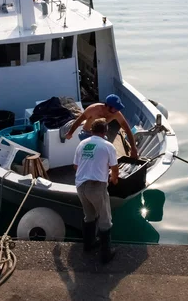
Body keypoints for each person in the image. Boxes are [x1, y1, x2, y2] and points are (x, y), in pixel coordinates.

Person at [73, 119, 118, 263]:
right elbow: (114, 169)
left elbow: (75, 166)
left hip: (80, 185)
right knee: (105, 219)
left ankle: (88, 245)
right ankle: (106, 254)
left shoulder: (82, 144)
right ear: (105, 132)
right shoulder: (107, 146)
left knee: (89, 215)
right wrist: (114, 179)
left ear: (91, 130)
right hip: (97, 186)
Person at [66, 94, 138, 158]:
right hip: (87, 134)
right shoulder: (93, 109)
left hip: (101, 135)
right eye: (115, 108)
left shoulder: (116, 114)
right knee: (95, 154)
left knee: (106, 153)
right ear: (108, 106)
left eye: (118, 108)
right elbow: (79, 121)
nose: (117, 110)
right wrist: (70, 133)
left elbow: (127, 130)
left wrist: (133, 147)